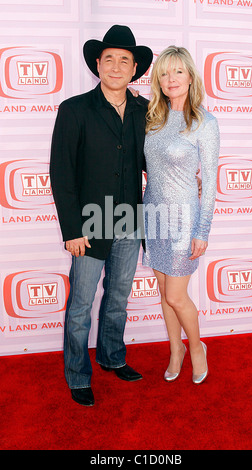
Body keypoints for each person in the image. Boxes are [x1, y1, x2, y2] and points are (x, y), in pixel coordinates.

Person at [50, 25, 153, 406]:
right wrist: (72, 229)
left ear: (134, 69)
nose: (115, 66)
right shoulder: (74, 109)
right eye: (108, 58)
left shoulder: (145, 109)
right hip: (89, 224)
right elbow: (62, 172)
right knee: (80, 303)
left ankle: (112, 357)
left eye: (124, 60)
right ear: (97, 64)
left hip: (129, 218)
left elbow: (151, 159)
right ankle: (77, 375)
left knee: (119, 296)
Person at [142, 46, 220, 384]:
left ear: (190, 76)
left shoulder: (204, 121)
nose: (170, 79)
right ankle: (176, 350)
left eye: (177, 72)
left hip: (183, 220)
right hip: (153, 214)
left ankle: (197, 347)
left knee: (176, 295)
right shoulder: (152, 117)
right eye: (164, 73)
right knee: (163, 294)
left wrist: (202, 231)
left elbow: (212, 181)